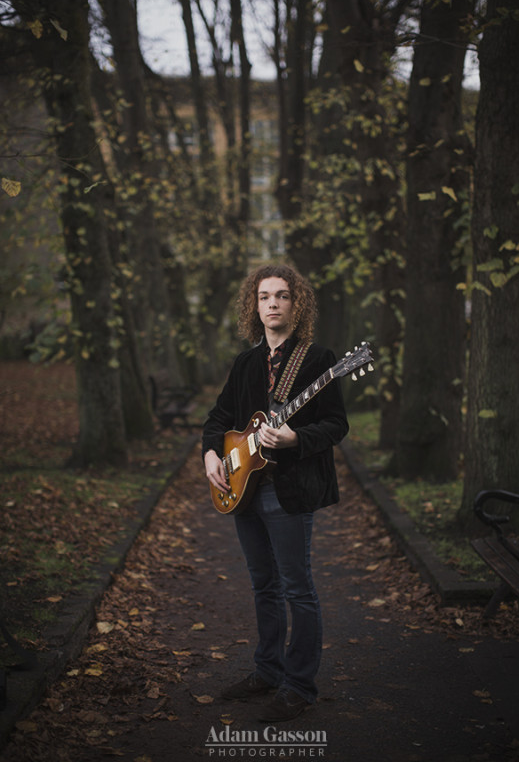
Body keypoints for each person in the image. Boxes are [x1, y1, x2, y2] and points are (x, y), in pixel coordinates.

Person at [202, 263, 348, 722]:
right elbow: (218, 418)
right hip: (243, 489)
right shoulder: (245, 363)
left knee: (296, 587)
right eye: (264, 296)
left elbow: (336, 425)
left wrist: (294, 440)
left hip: (288, 492)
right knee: (263, 585)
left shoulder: (319, 360)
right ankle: (267, 670)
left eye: (282, 295)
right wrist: (211, 455)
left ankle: (299, 686)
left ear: (295, 304)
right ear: (254, 305)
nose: (272, 303)